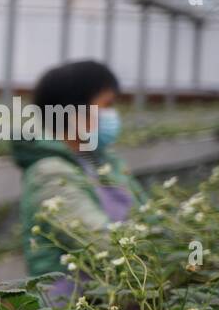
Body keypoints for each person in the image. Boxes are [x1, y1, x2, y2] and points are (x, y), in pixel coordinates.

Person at [14, 60, 144, 288]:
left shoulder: (103, 161)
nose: (112, 115)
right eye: (106, 105)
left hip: (119, 291)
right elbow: (102, 244)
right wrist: (164, 246)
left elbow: (148, 214)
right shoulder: (49, 174)